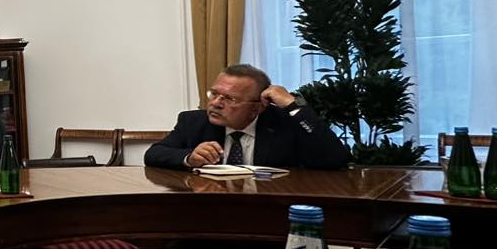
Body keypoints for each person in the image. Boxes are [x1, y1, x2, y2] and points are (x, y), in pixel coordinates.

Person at [143, 63, 350, 170]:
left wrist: (292, 105)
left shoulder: (284, 123)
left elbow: (335, 159)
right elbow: (154, 154)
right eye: (214, 94)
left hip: (270, 213)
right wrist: (189, 158)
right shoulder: (193, 122)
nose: (215, 103)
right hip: (210, 212)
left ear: (257, 107)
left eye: (229, 98)